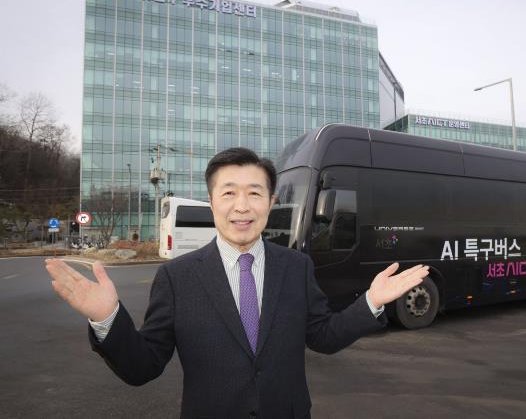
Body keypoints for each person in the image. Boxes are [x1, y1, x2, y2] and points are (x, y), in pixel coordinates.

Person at [46, 147, 429, 419]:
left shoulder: (296, 267)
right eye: (229, 193)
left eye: (254, 194)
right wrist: (107, 318)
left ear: (270, 202)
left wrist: (371, 302)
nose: (242, 206)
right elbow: (143, 366)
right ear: (212, 201)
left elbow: (323, 336)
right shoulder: (177, 277)